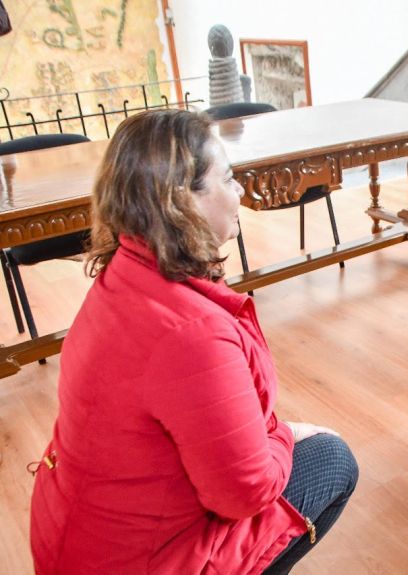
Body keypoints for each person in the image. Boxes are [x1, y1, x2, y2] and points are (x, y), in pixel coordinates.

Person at [29, 109, 359, 574]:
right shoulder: (191, 333)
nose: (240, 189)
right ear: (181, 202)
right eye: (227, 178)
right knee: (331, 456)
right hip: (136, 561)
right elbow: (245, 492)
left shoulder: (121, 278)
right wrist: (287, 435)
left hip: (79, 541)